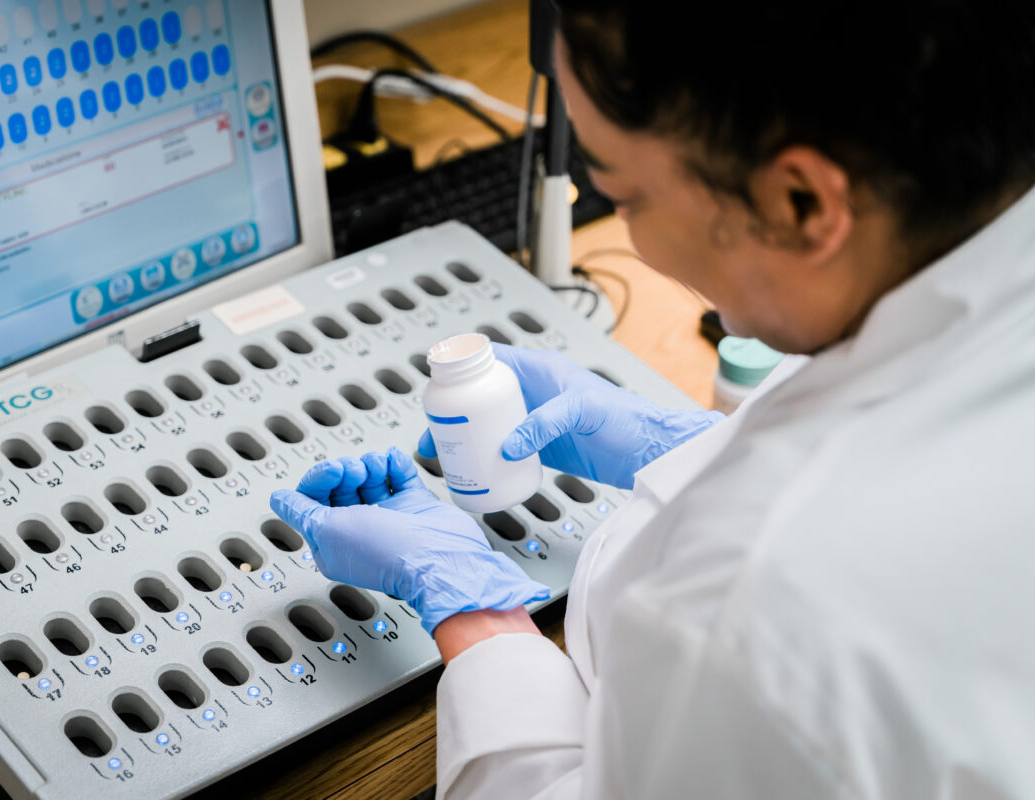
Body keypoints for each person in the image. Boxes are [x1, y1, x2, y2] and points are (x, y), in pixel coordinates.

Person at [271, 2, 1035, 797]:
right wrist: (694, 445)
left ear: (801, 203)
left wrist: (480, 616)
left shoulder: (743, 619)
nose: (631, 235)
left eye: (622, 194)